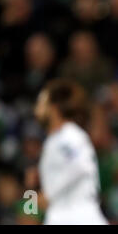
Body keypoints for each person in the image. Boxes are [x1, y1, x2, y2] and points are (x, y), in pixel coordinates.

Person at [34, 79, 108, 225]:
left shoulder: (69, 135)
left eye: (41, 102)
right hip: (63, 213)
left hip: (78, 215)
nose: (36, 107)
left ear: (53, 108)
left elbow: (80, 165)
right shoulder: (57, 138)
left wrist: (49, 193)